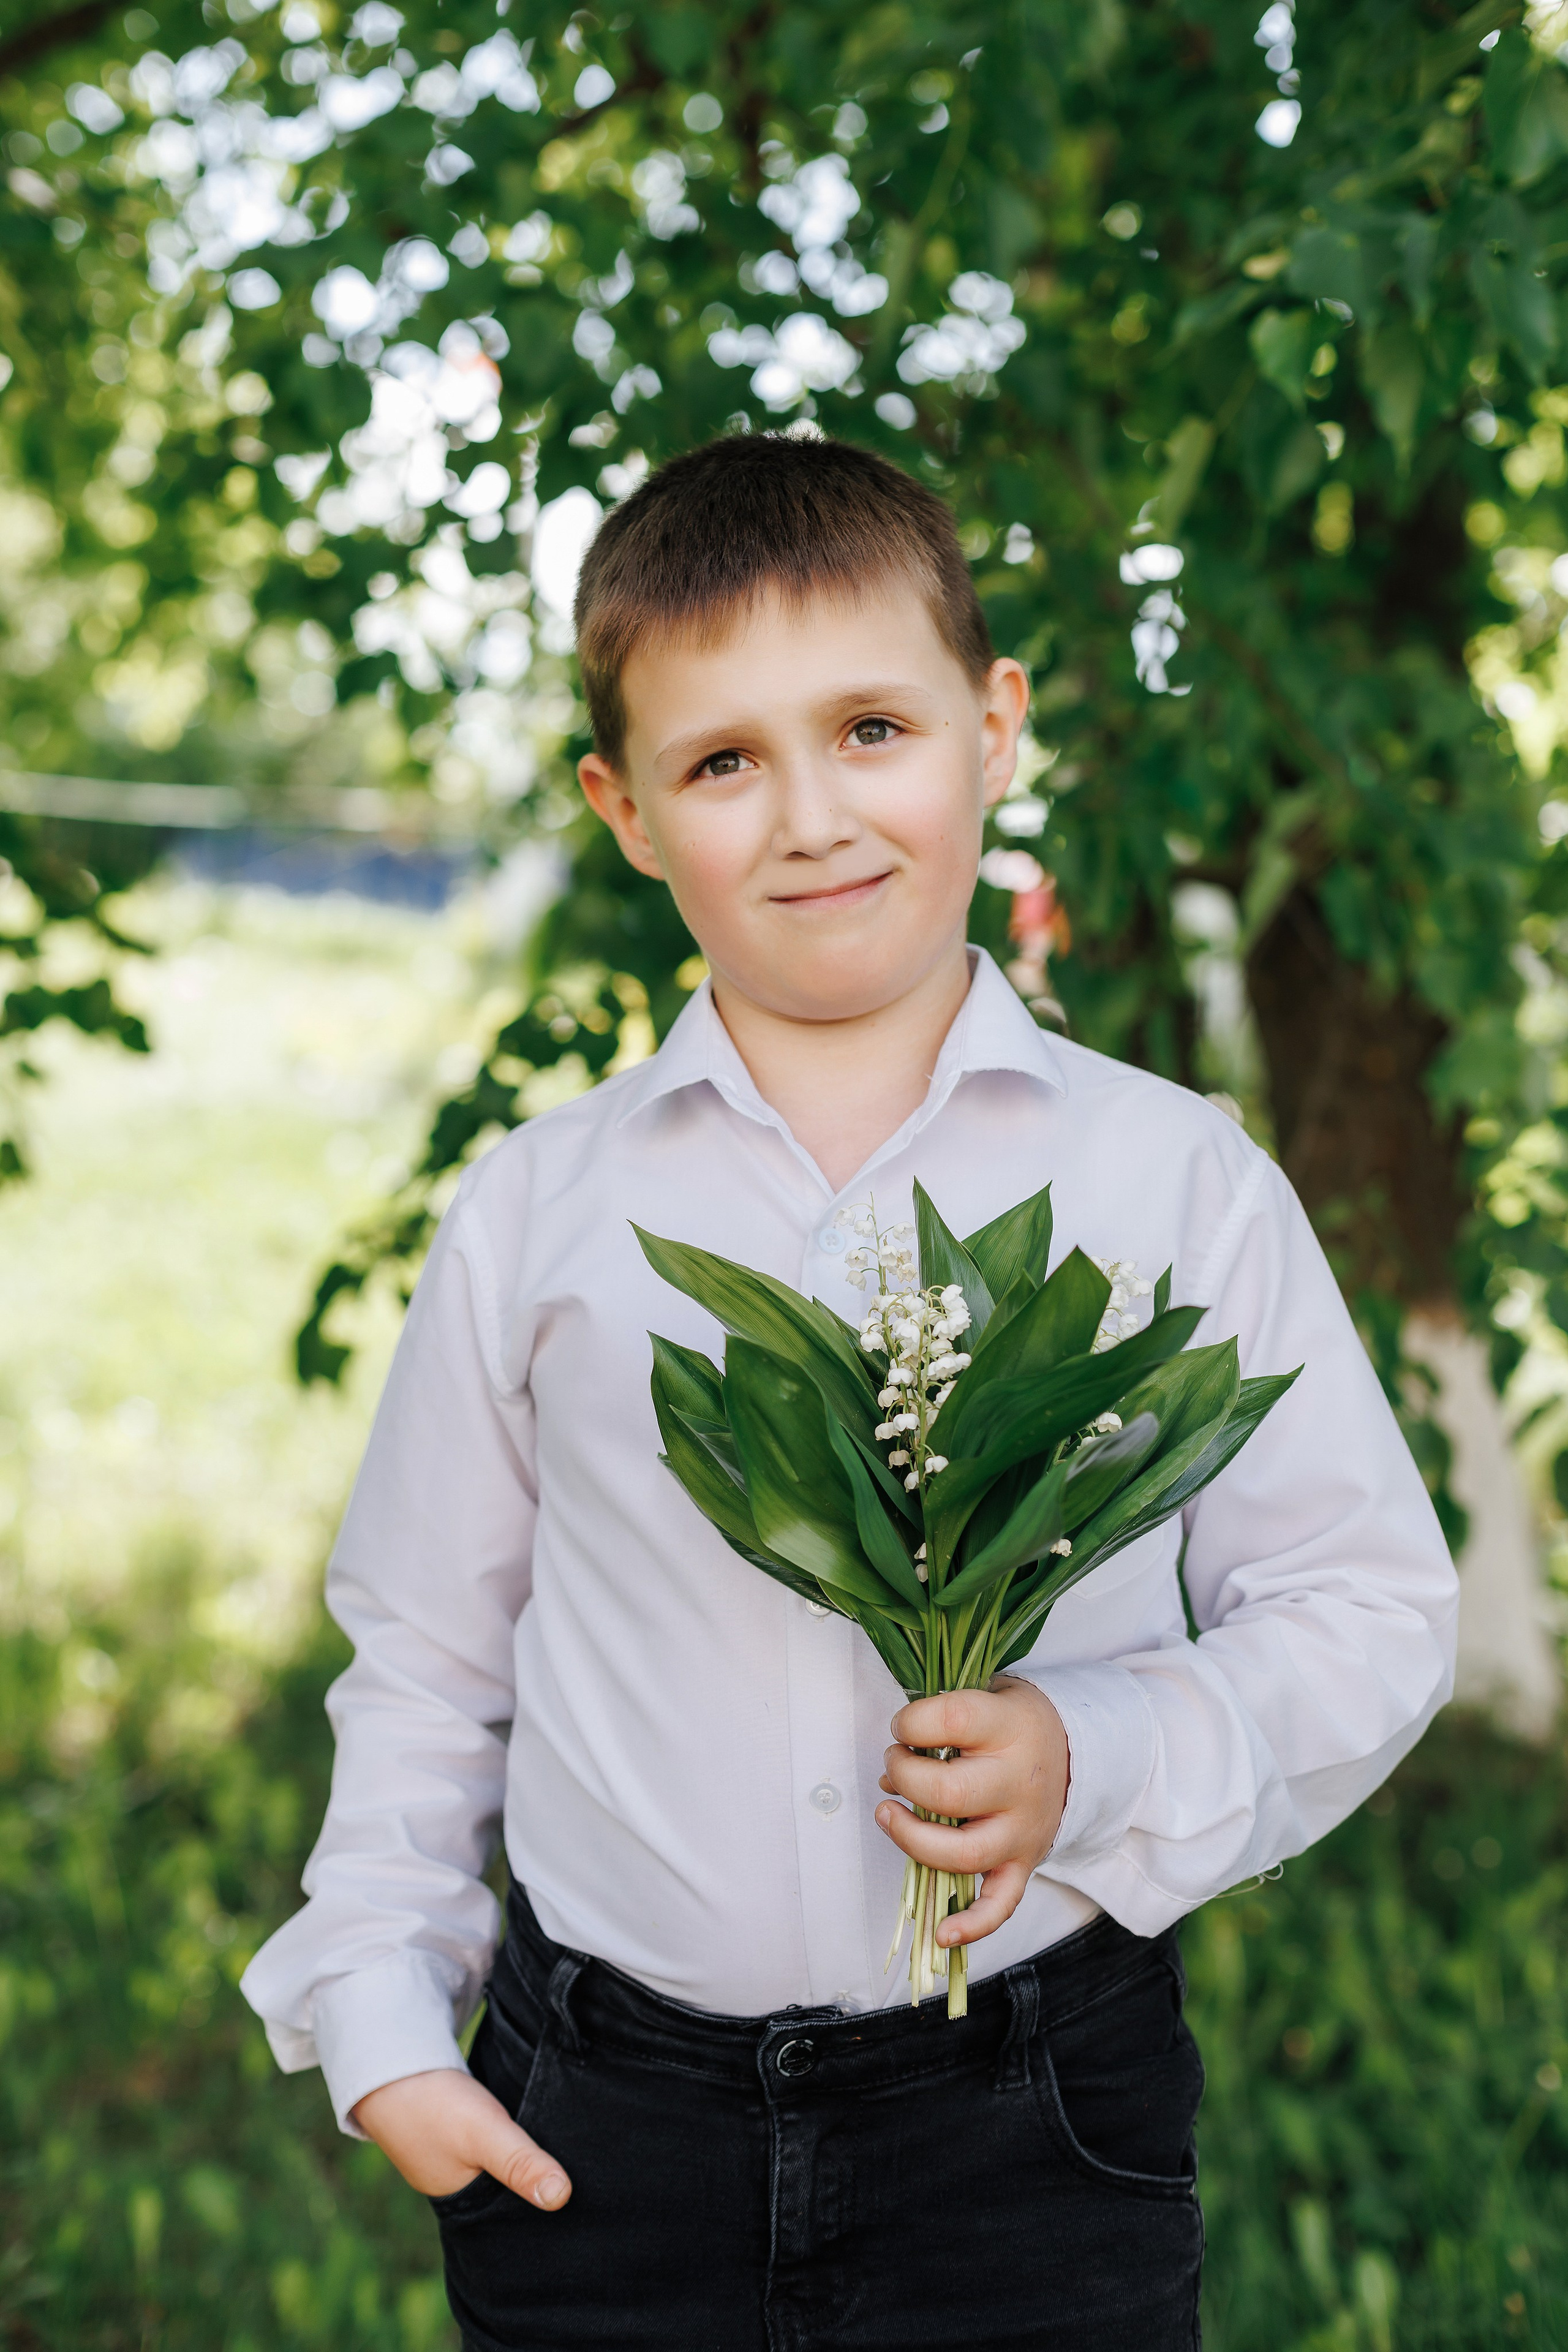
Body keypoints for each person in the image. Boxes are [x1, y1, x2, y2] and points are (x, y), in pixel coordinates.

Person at [241, 432, 1458, 2350]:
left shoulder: (1171, 1182)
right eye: (723, 761)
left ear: (995, 725)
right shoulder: (550, 1209)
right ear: (625, 811)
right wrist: (385, 2015)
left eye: (872, 728)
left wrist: (1099, 1753)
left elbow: (1373, 1614)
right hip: (603, 2128)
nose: (811, 817)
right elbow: (429, 1649)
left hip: (1033, 2119)